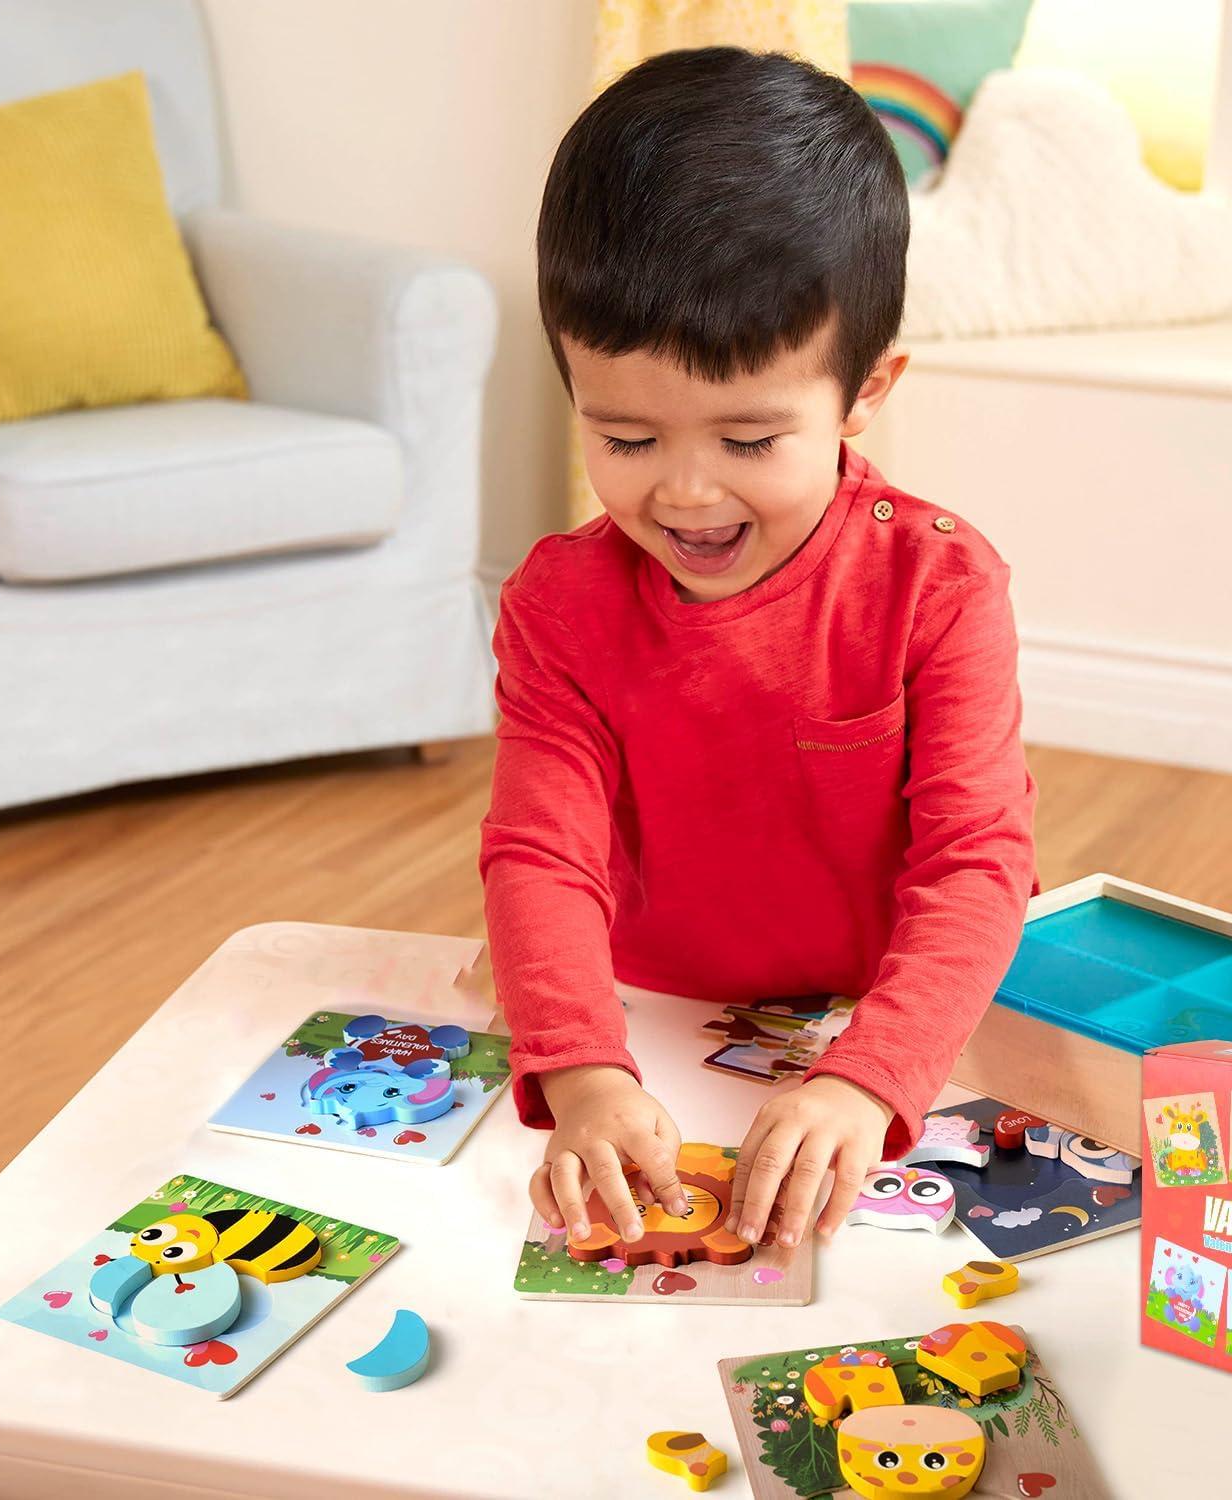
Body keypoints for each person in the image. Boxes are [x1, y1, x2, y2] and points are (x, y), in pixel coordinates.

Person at [480, 46, 1036, 1256]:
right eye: (623, 436)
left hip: (880, 1028)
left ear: (864, 391)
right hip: (650, 1019)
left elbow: (976, 864)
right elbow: (541, 851)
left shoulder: (940, 585)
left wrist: (865, 1076)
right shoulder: (560, 605)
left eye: (748, 438)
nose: (685, 493)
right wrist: (580, 1073)